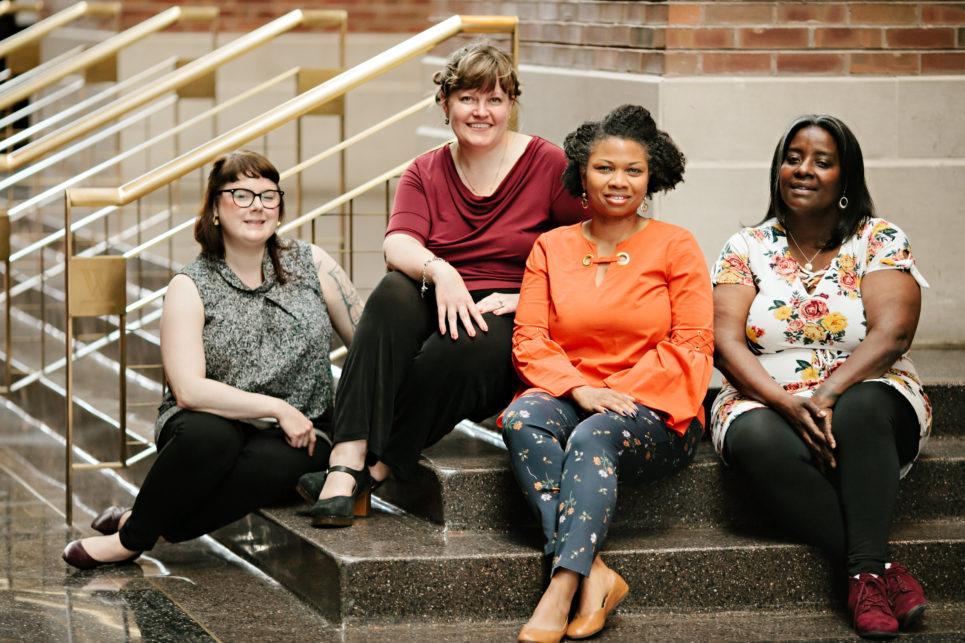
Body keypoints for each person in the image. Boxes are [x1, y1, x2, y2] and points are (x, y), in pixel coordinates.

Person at [297, 41, 586, 527]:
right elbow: (398, 246)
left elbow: (586, 251)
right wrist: (443, 271)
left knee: (460, 345)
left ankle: (374, 466)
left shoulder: (548, 164)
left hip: (508, 309)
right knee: (391, 293)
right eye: (468, 98)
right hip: (442, 293)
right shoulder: (425, 169)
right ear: (445, 103)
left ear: (511, 105)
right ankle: (346, 459)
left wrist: (524, 297)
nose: (481, 112)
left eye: (495, 99)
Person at [62, 150, 363, 569]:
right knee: (210, 439)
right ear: (216, 208)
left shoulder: (313, 264)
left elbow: (368, 349)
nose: (257, 205)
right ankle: (131, 539)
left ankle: (136, 527)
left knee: (268, 464)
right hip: (212, 418)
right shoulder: (190, 284)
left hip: (299, 431)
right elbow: (188, 390)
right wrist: (276, 407)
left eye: (268, 195)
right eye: (241, 194)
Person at [711, 115, 932, 639]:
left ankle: (861, 571)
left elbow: (893, 335)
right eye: (793, 158)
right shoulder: (746, 246)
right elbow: (724, 341)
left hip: (868, 392)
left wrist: (827, 394)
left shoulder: (879, 240)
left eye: (822, 161)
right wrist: (788, 404)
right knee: (755, 437)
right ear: (778, 170)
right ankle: (874, 570)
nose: (803, 169)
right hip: (763, 396)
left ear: (845, 179)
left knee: (861, 408)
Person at [501, 104, 714, 643]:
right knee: (523, 416)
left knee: (595, 433)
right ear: (581, 173)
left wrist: (614, 393)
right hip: (575, 394)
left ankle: (562, 583)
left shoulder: (677, 245)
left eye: (633, 171)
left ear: (652, 176)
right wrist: (580, 388)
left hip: (656, 414)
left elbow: (692, 344)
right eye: (604, 168)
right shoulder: (551, 247)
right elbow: (529, 338)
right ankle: (596, 575)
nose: (618, 182)